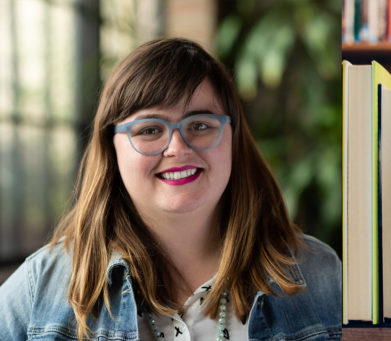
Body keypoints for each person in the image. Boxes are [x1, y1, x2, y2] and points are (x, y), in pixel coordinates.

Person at [0, 38, 342, 340]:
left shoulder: (322, 277)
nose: (177, 147)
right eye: (149, 130)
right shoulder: (39, 288)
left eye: (200, 125)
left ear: (233, 140)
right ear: (112, 149)